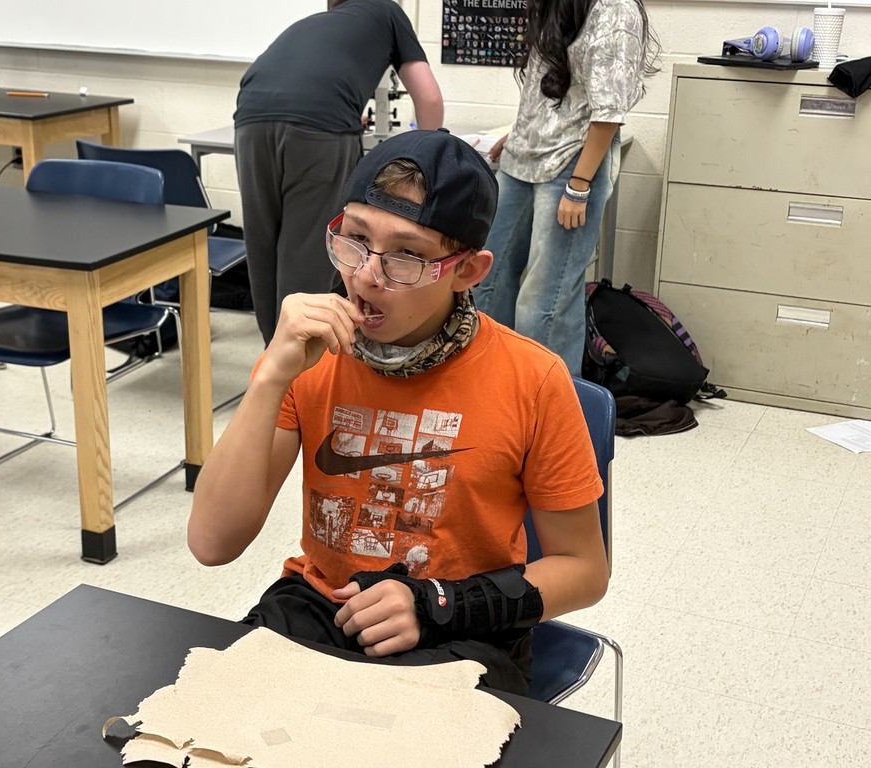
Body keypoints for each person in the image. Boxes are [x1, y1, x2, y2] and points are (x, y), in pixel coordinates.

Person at [188, 129, 609, 694]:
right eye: (355, 239)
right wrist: (269, 379)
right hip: (324, 604)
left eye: (408, 255)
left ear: (468, 271)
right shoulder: (309, 357)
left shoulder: (532, 380)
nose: (366, 275)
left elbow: (585, 570)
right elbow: (213, 543)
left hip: (463, 626)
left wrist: (440, 604)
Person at [234, 0, 444, 346]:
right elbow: (431, 100)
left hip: (251, 120)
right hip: (320, 130)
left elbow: (310, 84)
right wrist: (428, 161)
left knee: (263, 249)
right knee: (305, 261)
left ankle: (272, 362)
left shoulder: (318, 22)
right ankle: (297, 379)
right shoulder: (388, 11)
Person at [472, 0, 659, 375]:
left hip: (572, 165)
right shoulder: (557, 5)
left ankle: (548, 408)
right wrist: (521, 131)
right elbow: (553, 87)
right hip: (522, 158)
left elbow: (608, 112)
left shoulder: (614, 9)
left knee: (545, 300)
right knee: (483, 277)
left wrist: (579, 186)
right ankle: (488, 385)